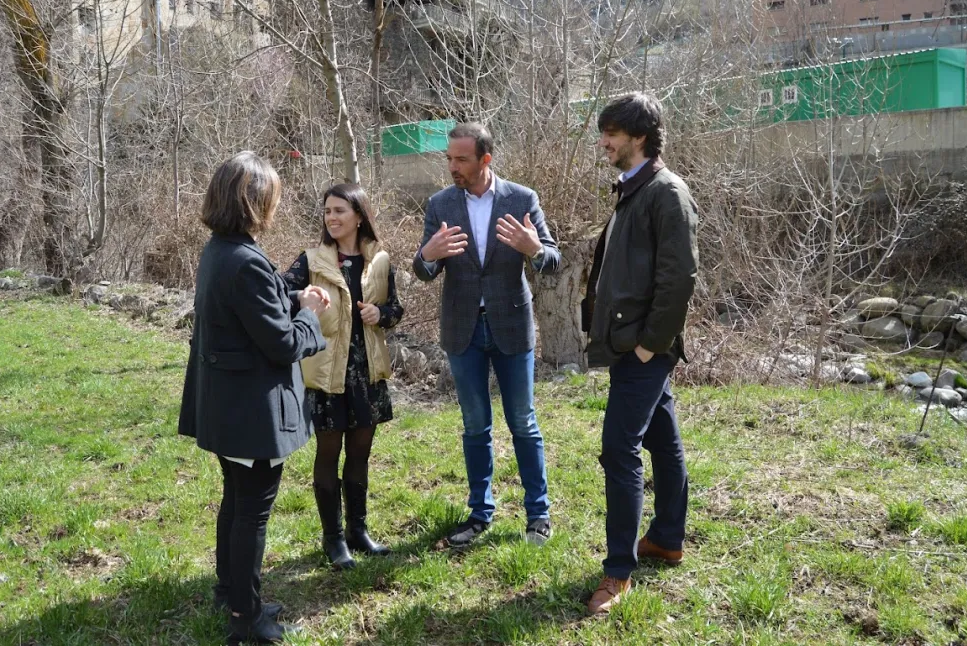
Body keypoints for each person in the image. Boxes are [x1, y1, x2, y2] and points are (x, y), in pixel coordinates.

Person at [178, 151, 330, 645]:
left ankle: (233, 591)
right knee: (251, 512)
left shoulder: (221, 249)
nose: (275, 207)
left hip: (228, 407)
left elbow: (251, 306)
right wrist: (308, 312)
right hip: (249, 412)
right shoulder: (242, 261)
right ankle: (245, 618)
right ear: (254, 202)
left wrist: (289, 295)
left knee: (237, 500)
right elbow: (283, 343)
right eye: (272, 199)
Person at [413, 122, 562, 547]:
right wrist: (427, 255)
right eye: (449, 158)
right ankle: (480, 514)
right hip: (463, 329)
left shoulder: (521, 199)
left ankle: (538, 515)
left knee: (522, 422)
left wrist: (534, 249)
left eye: (461, 159)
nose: (452, 166)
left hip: (512, 324)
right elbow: (422, 270)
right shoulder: (440, 204)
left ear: (485, 159)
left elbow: (553, 260)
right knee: (475, 425)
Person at [581, 92, 699, 615]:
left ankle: (618, 572)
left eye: (612, 134)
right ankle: (668, 537)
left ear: (640, 138)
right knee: (662, 437)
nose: (603, 142)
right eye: (604, 132)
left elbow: (680, 280)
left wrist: (652, 345)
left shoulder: (667, 193)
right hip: (630, 343)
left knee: (618, 448)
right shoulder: (634, 189)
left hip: (644, 348)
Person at [283, 183, 403, 570]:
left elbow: (395, 309)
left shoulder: (380, 261)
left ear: (359, 216)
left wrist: (380, 316)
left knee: (361, 455)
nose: (331, 218)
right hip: (327, 374)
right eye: (327, 211)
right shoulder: (311, 261)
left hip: (366, 373)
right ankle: (333, 539)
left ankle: (358, 531)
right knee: (328, 454)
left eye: (339, 211)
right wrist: (303, 303)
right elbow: (280, 297)